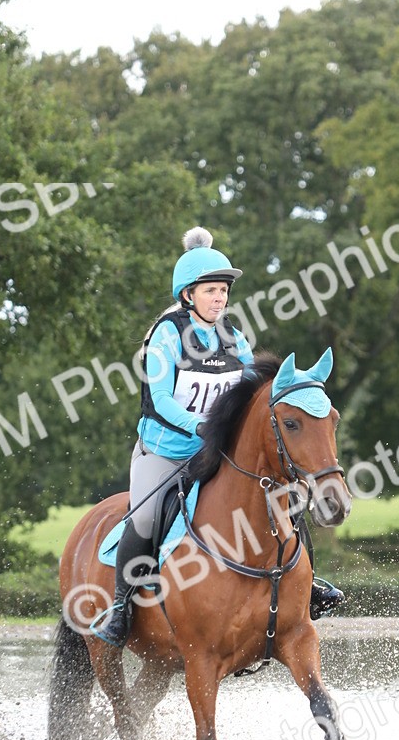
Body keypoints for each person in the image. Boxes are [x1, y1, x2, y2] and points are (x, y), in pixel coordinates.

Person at [96, 227, 343, 649]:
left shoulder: (233, 338)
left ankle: (308, 584)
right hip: (164, 452)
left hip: (216, 453)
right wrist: (200, 426)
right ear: (188, 294)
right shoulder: (166, 335)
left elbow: (254, 392)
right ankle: (121, 608)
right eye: (211, 290)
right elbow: (160, 400)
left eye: (224, 291)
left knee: (285, 498)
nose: (219, 299)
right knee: (146, 516)